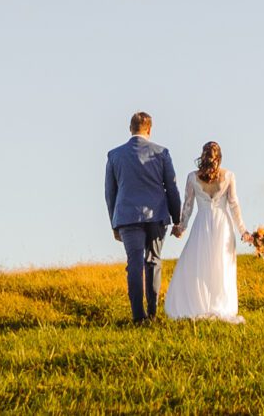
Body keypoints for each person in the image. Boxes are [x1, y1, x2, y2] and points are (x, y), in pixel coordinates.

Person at [103, 111, 183, 322]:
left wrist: (114, 223)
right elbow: (172, 188)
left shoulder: (114, 155)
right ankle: (153, 312)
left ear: (130, 129)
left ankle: (138, 316)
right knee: (153, 261)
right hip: (156, 215)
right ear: (149, 129)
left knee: (135, 264)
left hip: (127, 217)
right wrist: (177, 217)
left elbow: (110, 193)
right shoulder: (162, 153)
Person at [164, 140, 246, 322]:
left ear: (202, 156)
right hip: (222, 225)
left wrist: (181, 227)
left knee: (199, 264)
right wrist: (243, 231)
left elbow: (187, 207)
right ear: (220, 158)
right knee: (222, 265)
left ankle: (200, 304)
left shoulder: (193, 177)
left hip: (202, 225)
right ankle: (219, 304)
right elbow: (234, 205)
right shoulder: (229, 176)